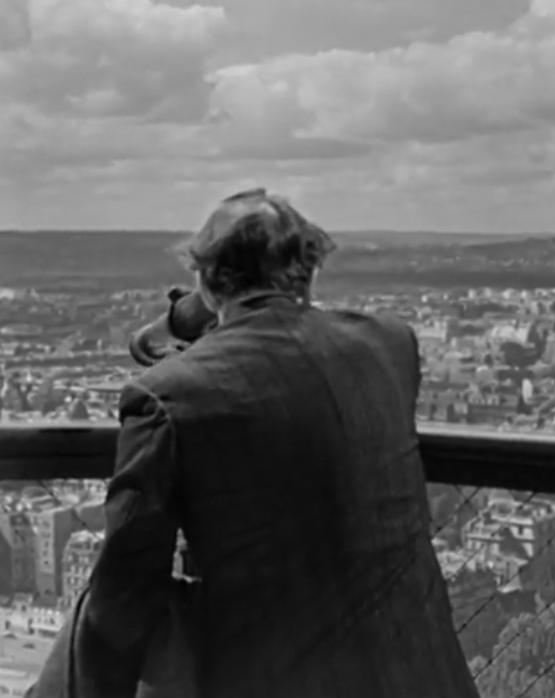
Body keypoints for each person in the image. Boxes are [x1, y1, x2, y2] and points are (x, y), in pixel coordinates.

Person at [28, 189, 481, 698]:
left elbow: (126, 591)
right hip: (422, 673)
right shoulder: (391, 345)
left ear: (204, 278)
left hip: (277, 678)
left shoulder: (168, 395)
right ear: (311, 272)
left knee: (100, 606)